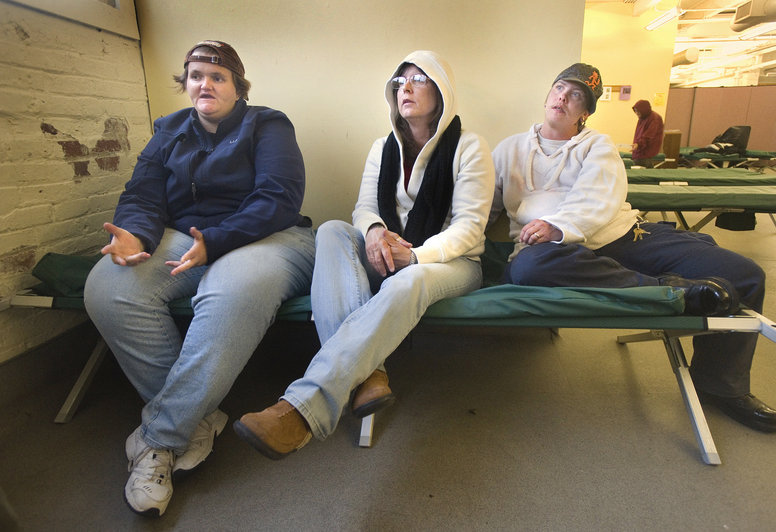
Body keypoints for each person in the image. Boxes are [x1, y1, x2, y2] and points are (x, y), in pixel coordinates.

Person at [83, 40, 315, 517]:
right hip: (186, 239)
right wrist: (134, 235)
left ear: (237, 86)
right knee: (107, 287)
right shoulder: (168, 130)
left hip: (266, 237)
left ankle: (159, 439)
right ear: (186, 84)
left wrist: (218, 238)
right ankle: (199, 419)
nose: (205, 83)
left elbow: (279, 197)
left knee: (229, 289)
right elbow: (142, 195)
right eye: (196, 76)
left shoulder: (268, 124)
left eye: (218, 76)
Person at [490, 63, 776, 434]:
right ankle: (677, 291)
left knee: (746, 274)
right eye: (560, 88)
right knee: (527, 269)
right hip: (557, 257)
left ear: (585, 111)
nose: (564, 96)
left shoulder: (598, 145)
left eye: (576, 94)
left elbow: (597, 201)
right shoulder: (509, 149)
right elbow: (485, 209)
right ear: (549, 94)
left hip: (623, 237)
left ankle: (720, 386)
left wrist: (557, 226)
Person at [233, 50, 495, 458]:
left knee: (412, 278)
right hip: (390, 253)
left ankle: (301, 410)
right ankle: (369, 375)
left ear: (442, 91)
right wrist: (374, 234)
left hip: (451, 262)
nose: (404, 87)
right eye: (399, 82)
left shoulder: (470, 147)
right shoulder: (382, 147)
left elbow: (469, 227)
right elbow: (364, 207)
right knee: (335, 230)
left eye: (418, 79)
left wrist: (417, 256)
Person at [631, 99, 664, 167]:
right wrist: (637, 144)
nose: (637, 114)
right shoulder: (643, 117)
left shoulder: (655, 118)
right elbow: (638, 135)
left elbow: (649, 136)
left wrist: (638, 144)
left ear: (643, 110)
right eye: (636, 112)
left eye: (638, 112)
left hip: (647, 154)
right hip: (640, 151)